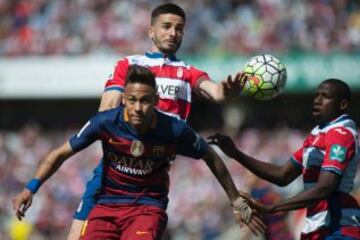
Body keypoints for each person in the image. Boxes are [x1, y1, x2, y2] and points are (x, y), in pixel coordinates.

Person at [12, 65, 265, 239]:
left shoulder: (173, 129)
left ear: (155, 100)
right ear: (124, 98)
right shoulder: (105, 122)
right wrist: (30, 188)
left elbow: (211, 156)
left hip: (147, 208)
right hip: (107, 206)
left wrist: (236, 199)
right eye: (131, 100)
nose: (137, 107)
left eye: (145, 101)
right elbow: (60, 153)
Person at [69, 3, 248, 239]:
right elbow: (106, 110)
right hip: (114, 174)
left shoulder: (188, 72)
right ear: (151, 31)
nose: (173, 33)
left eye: (179, 28)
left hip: (152, 176)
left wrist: (228, 93)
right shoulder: (128, 65)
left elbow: (216, 92)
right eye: (166, 26)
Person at [208, 79, 360, 239]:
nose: (317, 100)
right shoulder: (317, 136)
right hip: (317, 228)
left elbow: (325, 187)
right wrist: (236, 153)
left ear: (342, 104)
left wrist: (272, 208)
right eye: (316, 95)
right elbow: (283, 175)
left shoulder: (341, 134)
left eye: (325, 96)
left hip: (339, 229)